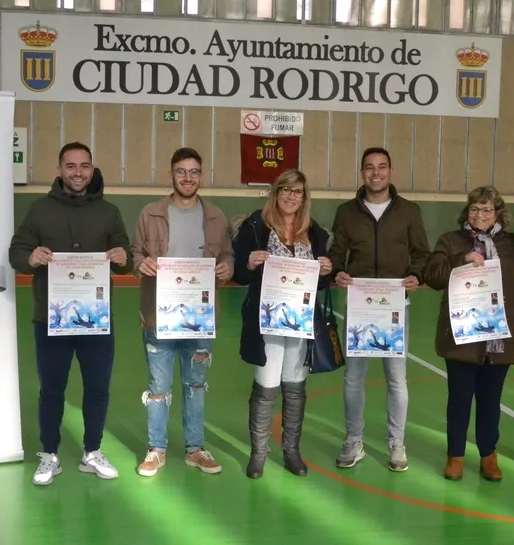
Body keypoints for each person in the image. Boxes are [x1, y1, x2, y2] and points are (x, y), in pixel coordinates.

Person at [8, 142, 132, 486]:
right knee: (51, 389)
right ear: (60, 169)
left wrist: (124, 256)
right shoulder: (39, 210)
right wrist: (31, 258)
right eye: (71, 166)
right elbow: (17, 251)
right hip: (51, 318)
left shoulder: (109, 212)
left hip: (96, 318)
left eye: (85, 166)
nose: (79, 172)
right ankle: (50, 454)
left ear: (93, 169)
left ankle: (92, 452)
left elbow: (127, 259)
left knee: (97, 388)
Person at [422, 186, 514, 482]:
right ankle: (456, 456)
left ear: (498, 213)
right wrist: (460, 260)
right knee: (459, 398)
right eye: (475, 209)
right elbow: (432, 276)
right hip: (461, 336)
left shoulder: (513, 245)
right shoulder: (451, 241)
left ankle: (489, 455)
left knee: (491, 400)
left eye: (487, 209)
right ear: (467, 212)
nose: (480, 215)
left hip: (500, 337)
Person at [131, 147, 234, 478]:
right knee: (158, 387)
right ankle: (156, 448)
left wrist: (226, 269)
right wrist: (140, 264)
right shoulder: (150, 213)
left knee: (196, 386)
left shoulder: (217, 216)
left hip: (200, 319)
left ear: (201, 176)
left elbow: (229, 257)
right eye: (181, 171)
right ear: (171, 174)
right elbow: (136, 254)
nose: (187, 178)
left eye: (194, 172)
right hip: (159, 316)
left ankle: (195, 449)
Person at [328, 147, 430, 472]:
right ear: (362, 173)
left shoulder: (409, 211)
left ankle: (396, 443)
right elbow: (337, 253)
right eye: (369, 167)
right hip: (358, 308)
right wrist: (336, 272)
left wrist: (418, 275)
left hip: (395, 307)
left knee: (396, 379)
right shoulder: (346, 212)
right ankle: (353, 440)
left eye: (382, 167)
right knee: (353, 379)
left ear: (390, 171)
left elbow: (421, 254)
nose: (376, 173)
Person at [232, 169, 333, 479]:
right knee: (266, 385)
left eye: (298, 192)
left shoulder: (315, 233)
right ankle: (258, 454)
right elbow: (238, 271)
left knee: (295, 386)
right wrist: (248, 263)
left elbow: (322, 280)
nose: (292, 196)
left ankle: (291, 450)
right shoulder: (254, 226)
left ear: (304, 197)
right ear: (275, 193)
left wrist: (327, 268)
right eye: (286, 190)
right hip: (267, 322)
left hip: (301, 323)